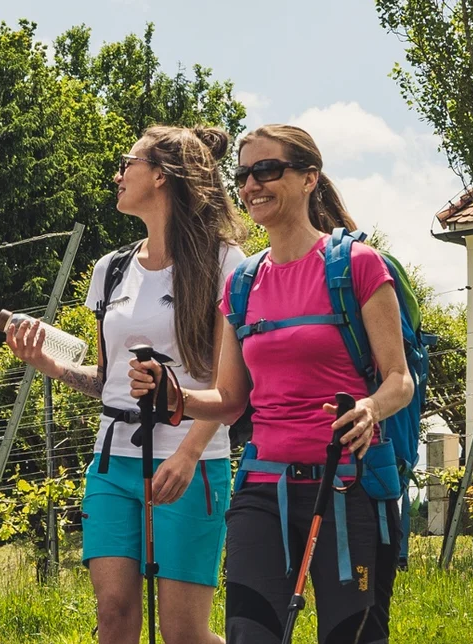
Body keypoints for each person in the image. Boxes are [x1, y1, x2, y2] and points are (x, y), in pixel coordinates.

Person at [129, 124, 414, 643]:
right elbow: (231, 400)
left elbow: (399, 379)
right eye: (243, 174)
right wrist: (177, 397)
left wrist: (372, 408)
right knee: (248, 634)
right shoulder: (242, 283)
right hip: (263, 489)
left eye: (267, 170)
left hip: (346, 486)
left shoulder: (357, 266)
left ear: (309, 179)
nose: (251, 185)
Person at [1, 125, 246, 644]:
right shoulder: (110, 270)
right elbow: (110, 382)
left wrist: (186, 454)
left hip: (190, 462)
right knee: (112, 616)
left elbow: (230, 387)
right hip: (112, 464)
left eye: (125, 163)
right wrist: (47, 363)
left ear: (161, 176)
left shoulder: (226, 263)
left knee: (183, 632)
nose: (117, 175)